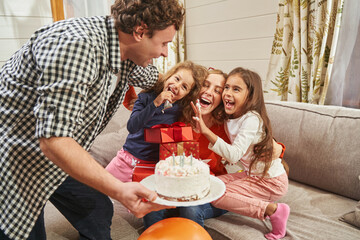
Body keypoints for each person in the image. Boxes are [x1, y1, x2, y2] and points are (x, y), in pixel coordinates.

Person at [0, 0, 185, 239]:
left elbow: (154, 78)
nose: (165, 52)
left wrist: (189, 86)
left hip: (58, 153)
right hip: (18, 157)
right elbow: (54, 139)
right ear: (140, 31)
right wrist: (119, 189)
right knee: (24, 232)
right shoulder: (77, 45)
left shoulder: (124, 49)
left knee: (96, 208)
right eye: (164, 43)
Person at [191, 67, 290, 240]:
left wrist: (205, 131)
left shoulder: (251, 119)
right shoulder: (229, 116)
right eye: (227, 88)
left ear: (250, 96)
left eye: (236, 89)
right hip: (252, 174)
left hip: (270, 181)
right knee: (211, 184)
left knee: (217, 194)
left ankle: (273, 210)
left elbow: (235, 154)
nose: (227, 93)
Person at [106, 61, 207, 182]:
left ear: (187, 94)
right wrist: (156, 103)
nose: (177, 86)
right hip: (127, 160)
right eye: (176, 79)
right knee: (99, 190)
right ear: (168, 76)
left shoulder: (181, 110)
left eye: (184, 87)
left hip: (154, 167)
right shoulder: (146, 97)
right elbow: (132, 127)